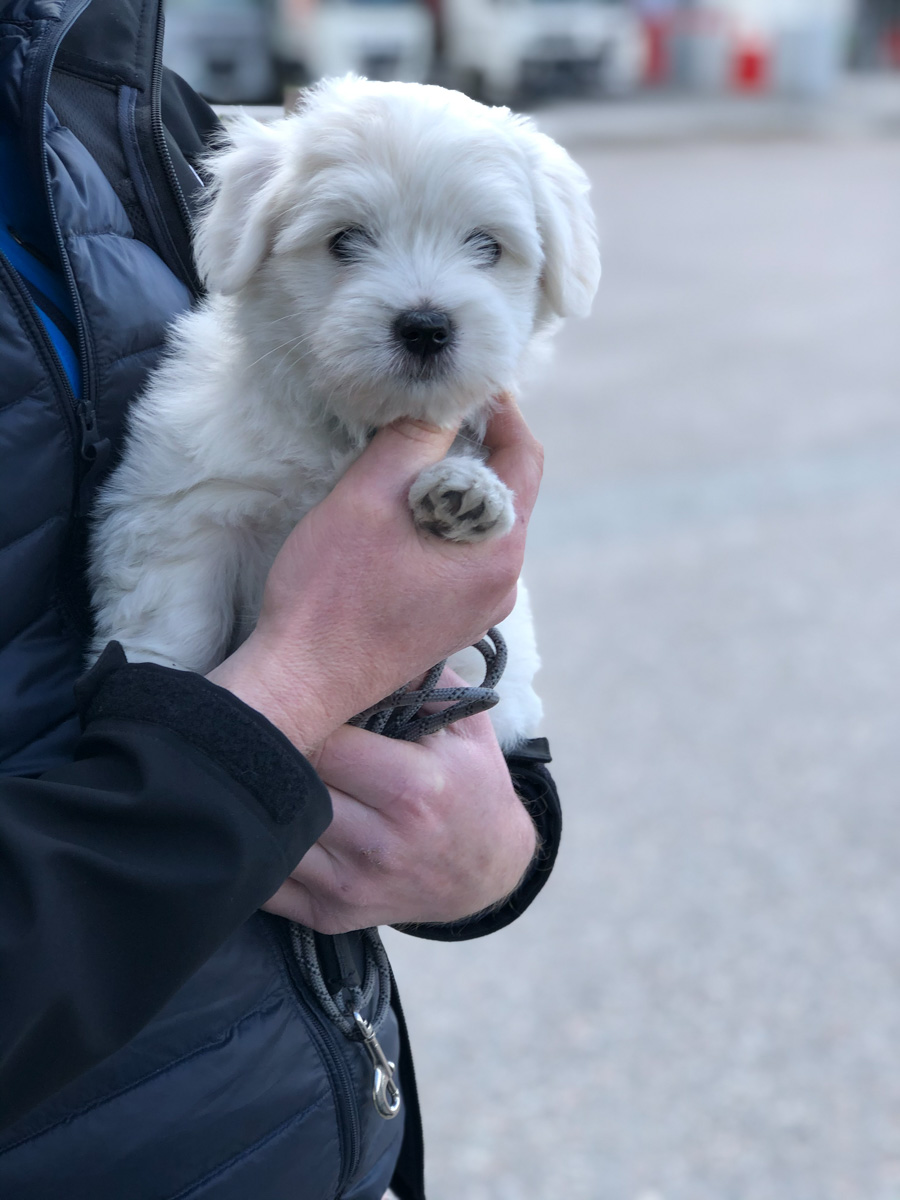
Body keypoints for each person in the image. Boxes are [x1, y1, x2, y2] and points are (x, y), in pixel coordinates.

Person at [0, 1, 561, 1197]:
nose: (421, 295)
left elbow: (467, 669)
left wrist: (501, 836)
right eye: (348, 242)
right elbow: (171, 539)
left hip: (308, 1095)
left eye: (486, 247)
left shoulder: (104, 94)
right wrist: (255, 718)